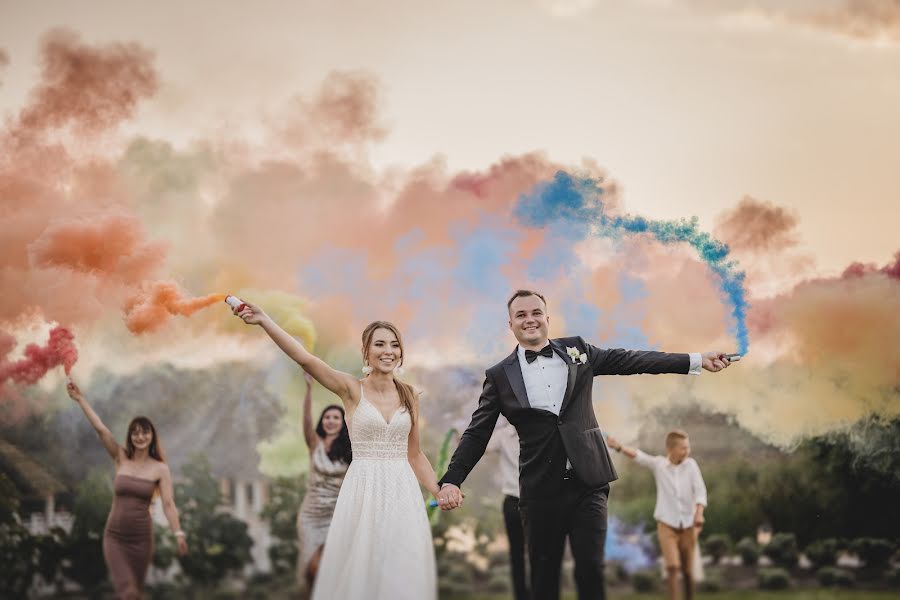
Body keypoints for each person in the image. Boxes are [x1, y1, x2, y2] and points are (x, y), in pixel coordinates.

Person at [435, 289, 732, 600]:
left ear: (547, 319)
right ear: (511, 325)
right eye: (521, 315)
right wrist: (452, 480)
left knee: (591, 569)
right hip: (540, 492)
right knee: (543, 580)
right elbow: (477, 433)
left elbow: (631, 359)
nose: (530, 319)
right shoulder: (499, 376)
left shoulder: (578, 350)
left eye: (536, 312)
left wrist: (695, 360)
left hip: (588, 482)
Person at [232, 301, 438, 599]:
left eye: (394, 345)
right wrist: (265, 320)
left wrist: (439, 489)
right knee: (359, 572)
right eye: (379, 344)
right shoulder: (351, 389)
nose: (388, 351)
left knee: (400, 571)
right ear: (366, 352)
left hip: (401, 492)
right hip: (362, 489)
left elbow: (415, 455)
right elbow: (304, 358)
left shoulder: (410, 396)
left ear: (401, 352)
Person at [66, 380, 187, 600]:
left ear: (152, 436)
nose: (140, 437)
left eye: (145, 432)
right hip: (115, 538)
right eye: (135, 433)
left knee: (135, 594)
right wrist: (80, 399)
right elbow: (101, 429)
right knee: (127, 591)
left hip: (142, 540)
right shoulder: (120, 457)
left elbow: (168, 504)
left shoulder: (160, 469)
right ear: (130, 436)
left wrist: (178, 533)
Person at [606, 430, 707, 600]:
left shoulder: (691, 466)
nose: (687, 450)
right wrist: (619, 447)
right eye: (683, 448)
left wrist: (699, 513)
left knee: (688, 572)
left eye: (688, 447)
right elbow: (639, 456)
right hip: (666, 525)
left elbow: (700, 492)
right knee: (673, 568)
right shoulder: (659, 464)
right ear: (671, 449)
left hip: (689, 525)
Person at [296, 372, 351, 596]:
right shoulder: (314, 443)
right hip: (311, 514)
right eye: (327, 417)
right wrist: (309, 390)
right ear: (323, 421)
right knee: (311, 567)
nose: (330, 420)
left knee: (329, 566)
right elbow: (306, 421)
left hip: (337, 514)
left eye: (336, 417)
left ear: (342, 422)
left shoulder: (350, 450)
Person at [493, 416, 530, 600]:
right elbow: (478, 444)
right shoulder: (502, 435)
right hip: (512, 501)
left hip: (537, 502)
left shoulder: (536, 430)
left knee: (541, 552)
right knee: (516, 555)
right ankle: (521, 596)